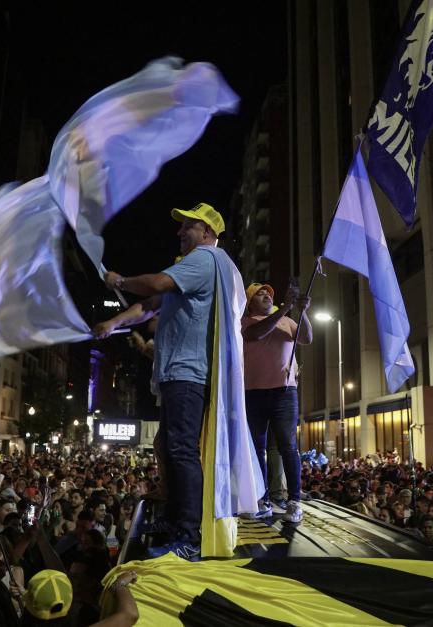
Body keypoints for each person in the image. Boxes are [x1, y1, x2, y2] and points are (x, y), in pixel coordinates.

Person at [95, 202, 258, 559]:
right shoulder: (204, 265)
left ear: (208, 233)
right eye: (181, 226)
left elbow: (156, 283)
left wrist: (120, 280)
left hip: (188, 372)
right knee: (170, 449)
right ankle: (176, 521)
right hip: (178, 372)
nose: (180, 232)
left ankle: (190, 535)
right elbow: (152, 302)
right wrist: (113, 323)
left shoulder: (205, 259)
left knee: (182, 450)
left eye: (188, 226)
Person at [241, 281, 312, 523]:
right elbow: (257, 334)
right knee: (257, 449)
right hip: (254, 393)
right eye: (260, 294)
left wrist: (302, 312)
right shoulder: (245, 323)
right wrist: (285, 308)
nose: (267, 296)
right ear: (249, 303)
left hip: (284, 392)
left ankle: (294, 501)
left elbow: (307, 337)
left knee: (288, 446)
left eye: (269, 294)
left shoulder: (287, 320)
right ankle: (263, 499)